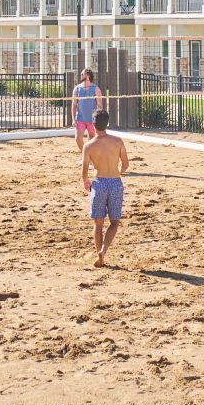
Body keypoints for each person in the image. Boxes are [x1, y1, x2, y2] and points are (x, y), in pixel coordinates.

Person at [80, 108, 129, 267]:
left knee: (98, 224)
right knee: (114, 222)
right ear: (107, 123)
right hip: (115, 183)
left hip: (99, 183)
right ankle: (104, 250)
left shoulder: (89, 146)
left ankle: (98, 255)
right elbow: (126, 165)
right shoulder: (117, 141)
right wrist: (118, 172)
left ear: (93, 125)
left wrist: (86, 181)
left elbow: (84, 172)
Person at [70, 68, 102, 151]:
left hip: (92, 119)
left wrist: (98, 120)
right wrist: (73, 119)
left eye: (82, 74)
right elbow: (74, 105)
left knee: (91, 141)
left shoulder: (96, 89)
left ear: (88, 75)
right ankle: (85, 155)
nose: (81, 75)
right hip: (80, 118)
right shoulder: (77, 89)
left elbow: (100, 106)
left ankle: (89, 159)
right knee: (78, 139)